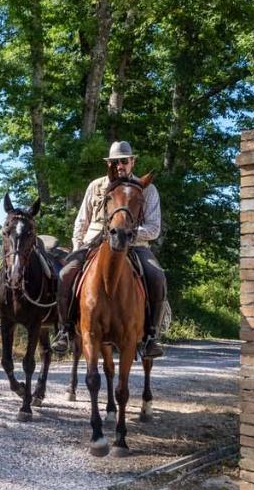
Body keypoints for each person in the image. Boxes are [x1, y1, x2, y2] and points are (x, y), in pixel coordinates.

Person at [49, 140, 167, 358]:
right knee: (65, 274)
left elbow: (154, 228)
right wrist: (77, 246)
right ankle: (65, 330)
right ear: (109, 164)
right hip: (94, 242)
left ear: (132, 162)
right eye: (115, 162)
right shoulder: (96, 186)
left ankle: (151, 335)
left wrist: (127, 232)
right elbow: (81, 221)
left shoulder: (147, 189)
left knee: (157, 276)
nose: (120, 165)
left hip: (134, 244)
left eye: (124, 161)